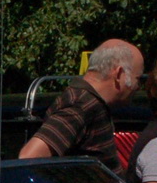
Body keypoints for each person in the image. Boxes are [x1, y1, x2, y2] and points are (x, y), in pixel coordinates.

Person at [19, 39, 144, 173]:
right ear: (119, 74)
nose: (138, 87)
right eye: (138, 79)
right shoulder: (82, 105)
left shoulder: (90, 103)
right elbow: (29, 157)